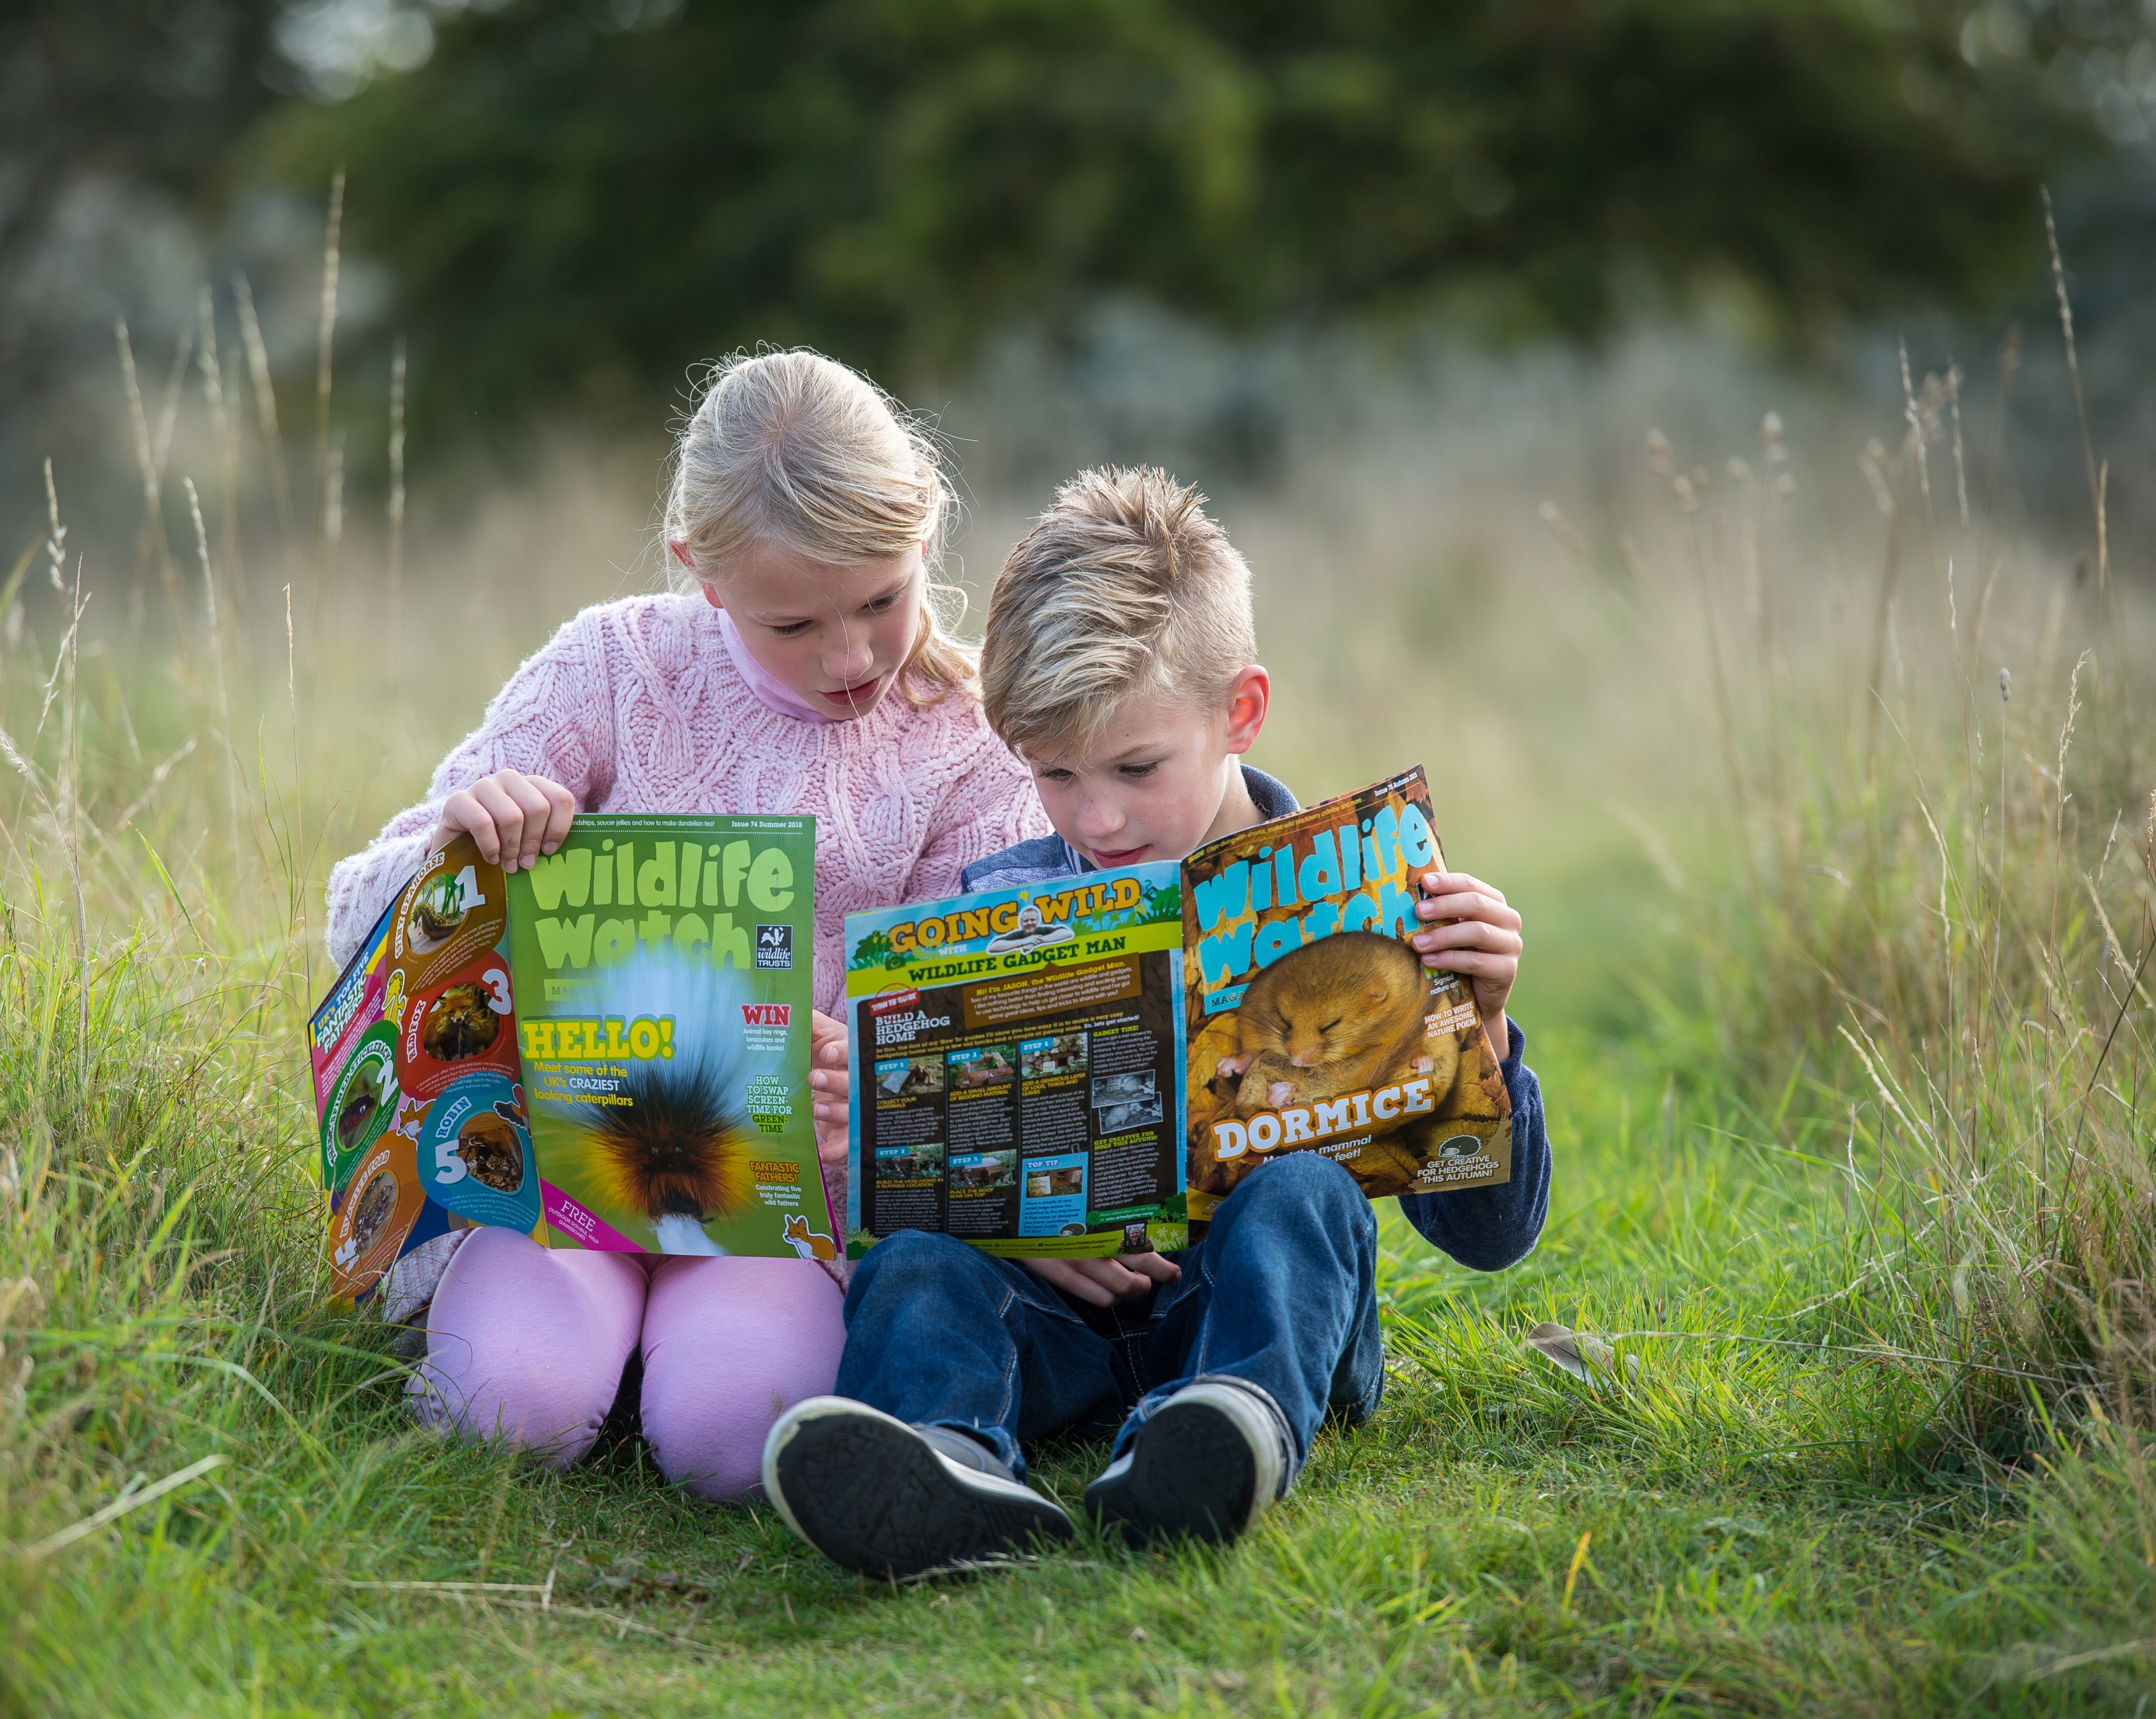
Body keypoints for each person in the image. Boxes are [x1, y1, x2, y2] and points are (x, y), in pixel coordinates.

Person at [759, 467, 1553, 1576]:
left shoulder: (1375, 903)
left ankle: (1226, 1427)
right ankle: (944, 1457)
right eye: (1053, 773)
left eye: (1136, 766)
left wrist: (1485, 1027)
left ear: (1240, 712)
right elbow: (937, 1188)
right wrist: (902, 1141)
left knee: (1302, 1192)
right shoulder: (999, 907)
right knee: (915, 1257)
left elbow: (1490, 1237)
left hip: (1253, 1314)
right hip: (1057, 1327)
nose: (1096, 816)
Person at [323, 351, 1048, 1502]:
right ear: (700, 574)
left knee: (733, 1437)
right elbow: (363, 925)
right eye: (792, 622)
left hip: (789, 1204)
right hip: (559, 1178)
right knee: (503, 1413)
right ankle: (570, 1354)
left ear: (927, 536)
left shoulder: (965, 739)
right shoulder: (611, 666)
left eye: (882, 600)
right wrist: (463, 843)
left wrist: (863, 1071)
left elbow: (985, 1012)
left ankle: (660, 1372)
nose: (850, 656)